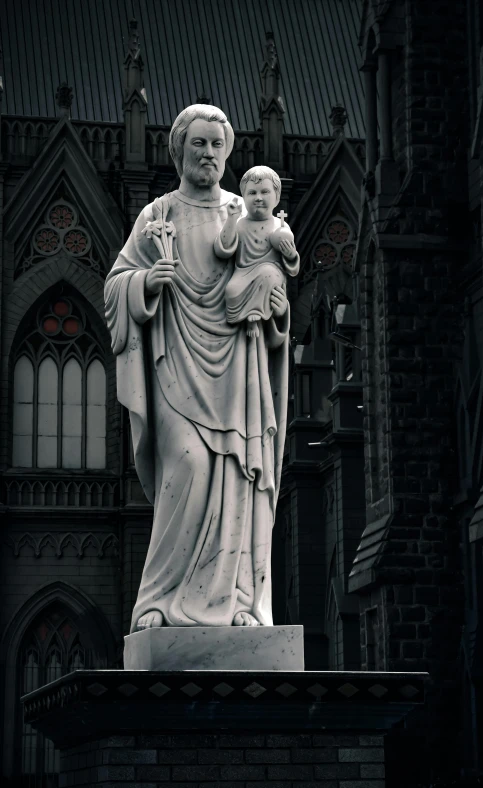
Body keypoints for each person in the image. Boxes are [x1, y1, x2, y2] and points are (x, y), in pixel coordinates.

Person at [105, 105, 291, 631]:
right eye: (198, 144)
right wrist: (146, 283)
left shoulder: (246, 210)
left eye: (216, 145)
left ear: (227, 153)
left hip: (237, 369)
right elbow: (115, 284)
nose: (208, 153)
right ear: (179, 150)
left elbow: (275, 281)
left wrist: (274, 305)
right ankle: (160, 601)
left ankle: (236, 603)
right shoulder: (156, 216)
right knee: (187, 465)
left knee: (235, 476)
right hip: (176, 366)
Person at [215, 166, 299, 337]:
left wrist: (290, 255)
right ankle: (247, 317)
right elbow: (224, 248)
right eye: (252, 193)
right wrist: (231, 219)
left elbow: (291, 265)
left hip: (270, 274)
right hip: (243, 272)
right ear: (243, 197)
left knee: (268, 274)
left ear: (277, 197)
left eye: (265, 192)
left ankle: (255, 317)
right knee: (231, 291)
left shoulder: (279, 225)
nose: (258, 198)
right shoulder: (240, 224)